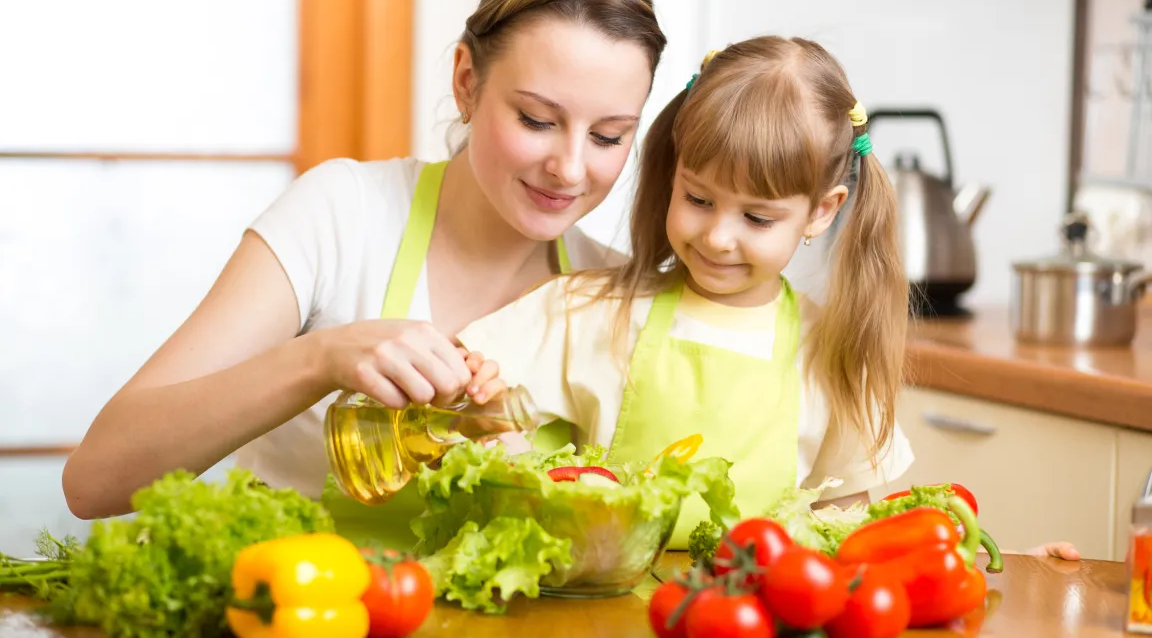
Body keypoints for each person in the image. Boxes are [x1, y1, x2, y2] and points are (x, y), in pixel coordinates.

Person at [61, 0, 667, 529]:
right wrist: (320, 359)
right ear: (466, 81)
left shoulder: (613, 295)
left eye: (609, 136)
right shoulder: (343, 215)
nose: (569, 167)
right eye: (537, 119)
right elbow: (94, 482)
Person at [455, 36, 1082, 560]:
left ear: (820, 213)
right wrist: (484, 416)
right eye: (698, 199)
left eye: (757, 219)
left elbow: (847, 531)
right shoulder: (592, 310)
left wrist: (992, 557)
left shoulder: (829, 352)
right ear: (674, 171)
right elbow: (468, 393)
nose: (718, 236)